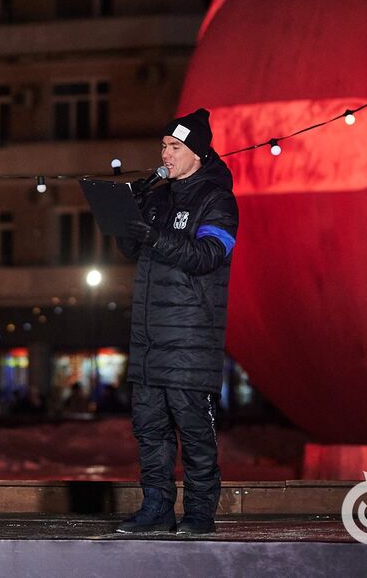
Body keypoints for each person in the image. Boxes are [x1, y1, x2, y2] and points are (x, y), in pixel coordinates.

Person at [115, 108, 238, 535]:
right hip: (149, 337)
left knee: (194, 432)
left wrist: (154, 236)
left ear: (197, 153)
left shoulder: (217, 199)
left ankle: (200, 514)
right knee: (149, 430)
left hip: (190, 338)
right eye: (164, 146)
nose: (166, 154)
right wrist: (125, 220)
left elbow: (208, 256)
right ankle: (156, 507)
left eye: (175, 147)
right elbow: (135, 250)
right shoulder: (159, 196)